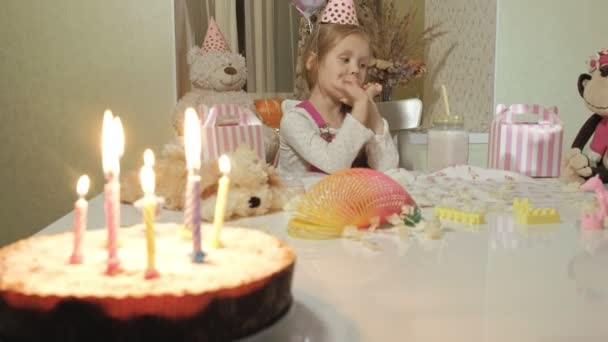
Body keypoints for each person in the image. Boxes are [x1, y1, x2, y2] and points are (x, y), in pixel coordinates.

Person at [278, 0, 399, 176]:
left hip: (345, 201)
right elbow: (335, 165)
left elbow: (388, 169)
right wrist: (361, 104)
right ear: (314, 63)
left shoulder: (356, 115)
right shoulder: (296, 121)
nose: (355, 70)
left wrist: (371, 111)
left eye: (363, 64)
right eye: (345, 59)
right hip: (302, 202)